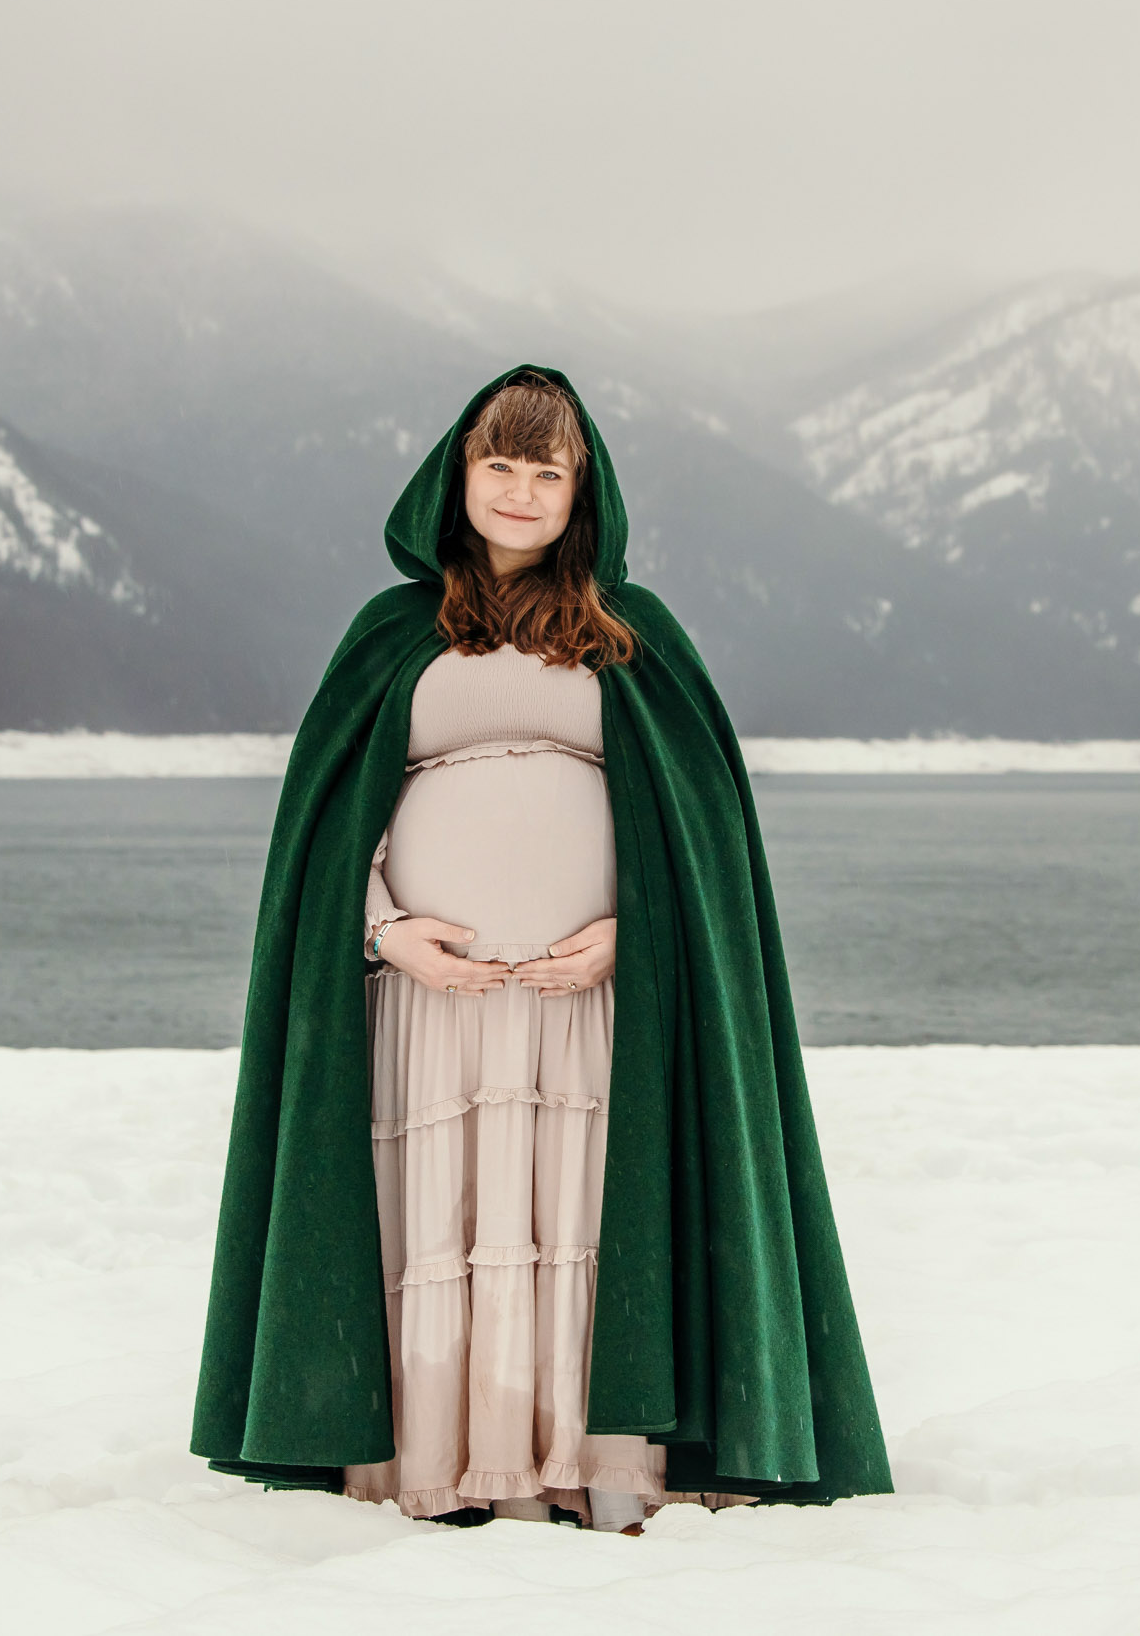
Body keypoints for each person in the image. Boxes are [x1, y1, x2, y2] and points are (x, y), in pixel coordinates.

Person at [190, 365, 890, 1533]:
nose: (520, 492)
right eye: (499, 465)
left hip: (599, 998)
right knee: (443, 1223)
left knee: (581, 1224)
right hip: (426, 1002)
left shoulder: (634, 633)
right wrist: (382, 929)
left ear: (582, 489)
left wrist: (641, 930)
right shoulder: (389, 634)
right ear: (457, 479)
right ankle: (439, 1469)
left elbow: (697, 836)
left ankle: (587, 1469)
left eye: (545, 470)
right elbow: (320, 833)